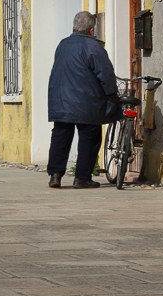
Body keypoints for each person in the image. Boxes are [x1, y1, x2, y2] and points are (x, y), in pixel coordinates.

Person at [47, 10, 119, 189]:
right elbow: (106, 74)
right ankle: (82, 177)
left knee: (61, 136)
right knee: (90, 136)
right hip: (87, 101)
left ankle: (55, 175)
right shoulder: (94, 47)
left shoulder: (62, 45)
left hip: (61, 100)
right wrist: (112, 95)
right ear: (91, 30)